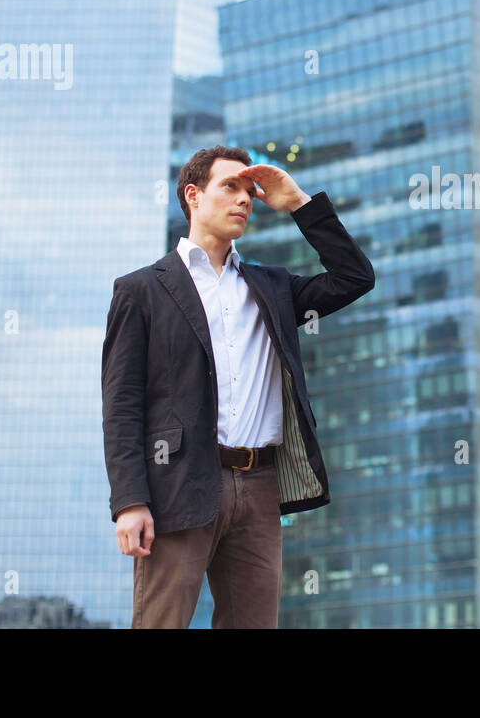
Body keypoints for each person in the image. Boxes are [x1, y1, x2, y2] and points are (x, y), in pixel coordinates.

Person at [101, 145, 374, 627]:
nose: (244, 200)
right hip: (179, 483)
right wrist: (129, 501)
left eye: (250, 192)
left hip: (260, 486)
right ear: (193, 195)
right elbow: (122, 405)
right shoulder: (141, 290)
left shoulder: (271, 287)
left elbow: (354, 276)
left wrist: (297, 203)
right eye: (230, 187)